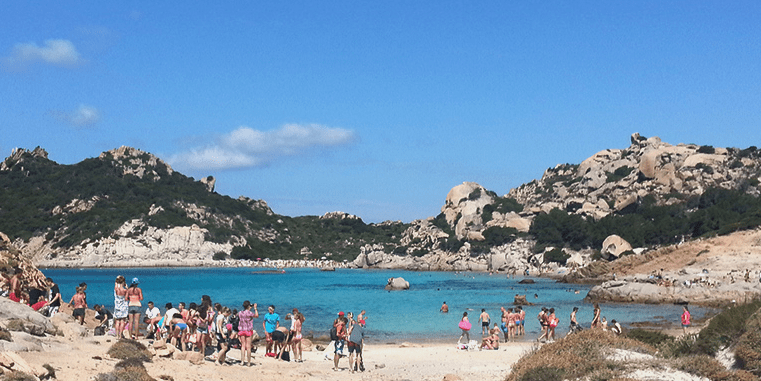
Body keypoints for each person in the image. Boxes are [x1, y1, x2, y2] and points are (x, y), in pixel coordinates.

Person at [237, 301, 258, 367]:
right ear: (249, 306)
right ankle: (248, 362)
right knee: (248, 346)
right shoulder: (250, 313)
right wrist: (255, 308)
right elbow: (256, 315)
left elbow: (237, 315)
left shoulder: (240, 313)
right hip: (248, 330)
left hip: (241, 329)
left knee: (243, 346)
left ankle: (242, 361)